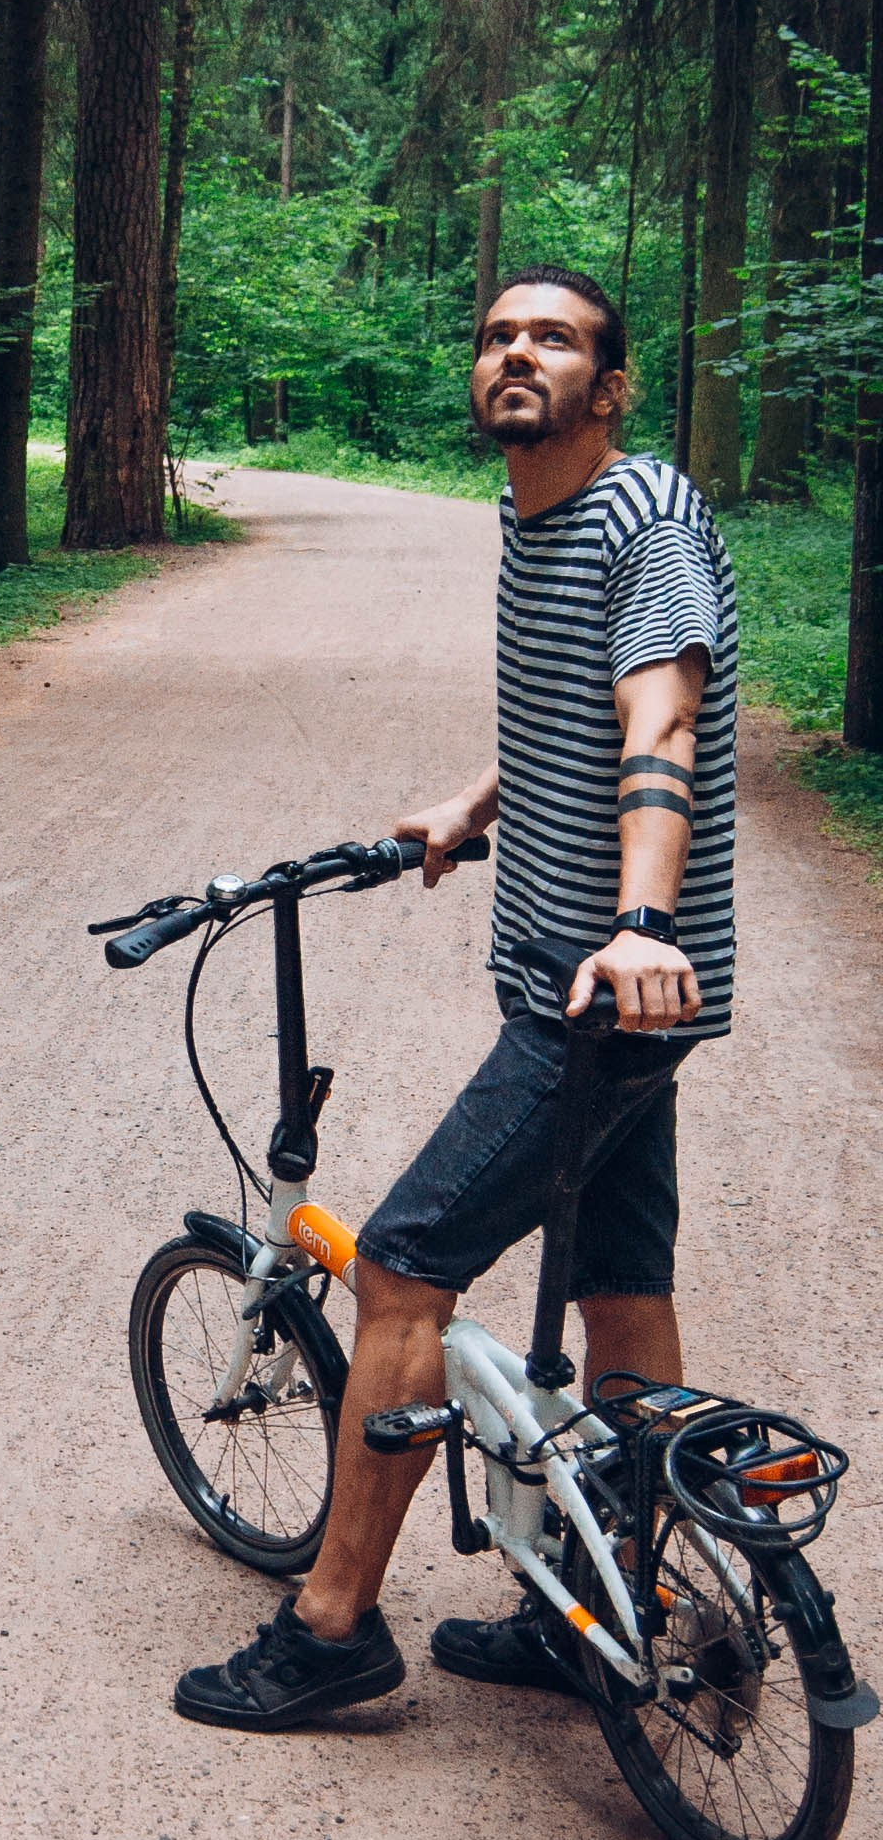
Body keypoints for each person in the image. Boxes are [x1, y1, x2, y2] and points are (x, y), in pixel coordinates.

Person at [173, 264, 738, 1732]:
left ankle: (334, 1626)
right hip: (599, 987)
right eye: (498, 336)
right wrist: (473, 806)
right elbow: (567, 706)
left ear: (606, 389)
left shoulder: (646, 523)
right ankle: (619, 1607)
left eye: (553, 339)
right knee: (623, 1290)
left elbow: (658, 721)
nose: (516, 355)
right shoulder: (527, 514)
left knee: (406, 1267)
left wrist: (637, 924)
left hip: (606, 990)